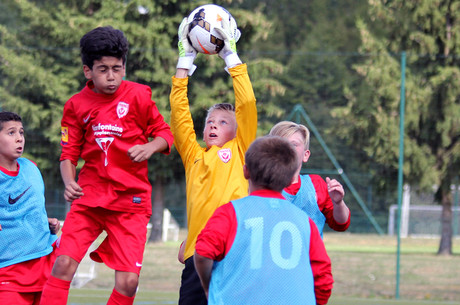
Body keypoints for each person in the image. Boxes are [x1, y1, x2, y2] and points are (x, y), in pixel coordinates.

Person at [39, 26, 174, 305]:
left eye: (117, 68)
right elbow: (68, 154)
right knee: (62, 263)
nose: (111, 76)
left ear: (124, 67)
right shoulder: (76, 105)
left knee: (128, 282)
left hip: (130, 203)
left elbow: (165, 134)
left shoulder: (139, 96)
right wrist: (69, 182)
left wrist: (150, 147)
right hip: (90, 199)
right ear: (88, 71)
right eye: (103, 69)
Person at [170, 15, 257, 305]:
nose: (213, 125)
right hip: (197, 255)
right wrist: (185, 62)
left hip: (233, 252)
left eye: (222, 121)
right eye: (209, 121)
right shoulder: (194, 156)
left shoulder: (240, 150)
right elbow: (179, 115)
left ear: (235, 131)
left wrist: (231, 56)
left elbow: (246, 104)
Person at [194, 136, 333, 305]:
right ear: (290, 178)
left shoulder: (229, 213)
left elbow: (203, 254)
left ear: (245, 171)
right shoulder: (305, 221)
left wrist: (207, 286)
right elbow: (323, 276)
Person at [0, 111, 60, 305]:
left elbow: (31, 208)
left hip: (46, 262)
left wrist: (45, 221)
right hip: (9, 271)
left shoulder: (31, 168)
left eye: (21, 132)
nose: (19, 138)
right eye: (11, 133)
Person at [269, 121, 350, 236]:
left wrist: (338, 203)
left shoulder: (315, 186)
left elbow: (341, 223)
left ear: (305, 155)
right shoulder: (261, 186)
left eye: (294, 145)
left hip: (310, 254)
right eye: (281, 144)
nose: (287, 149)